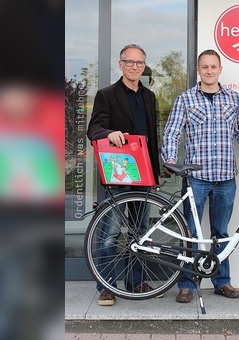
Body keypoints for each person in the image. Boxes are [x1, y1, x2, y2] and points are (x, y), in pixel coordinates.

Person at [161, 49, 239, 303]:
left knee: (220, 231)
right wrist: (170, 158)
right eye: (205, 67)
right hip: (196, 178)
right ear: (198, 70)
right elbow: (172, 132)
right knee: (190, 231)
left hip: (225, 176)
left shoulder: (233, 98)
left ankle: (222, 282)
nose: (209, 70)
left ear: (220, 69)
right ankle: (187, 283)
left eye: (214, 66)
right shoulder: (186, 99)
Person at [86, 44, 161, 306]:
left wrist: (156, 173)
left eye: (139, 63)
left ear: (144, 66)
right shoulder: (106, 95)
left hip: (144, 175)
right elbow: (93, 129)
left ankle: (136, 282)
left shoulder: (149, 96)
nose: (134, 67)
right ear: (120, 65)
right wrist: (109, 134)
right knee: (110, 234)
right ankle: (106, 286)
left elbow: (153, 138)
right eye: (129, 62)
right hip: (118, 174)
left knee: (139, 233)